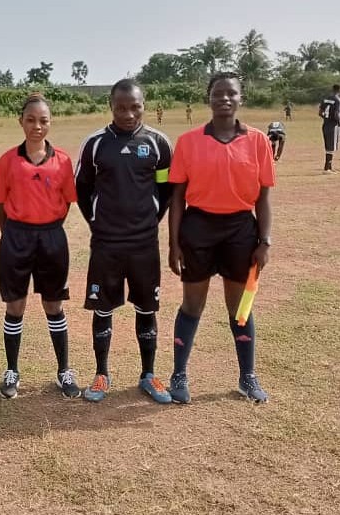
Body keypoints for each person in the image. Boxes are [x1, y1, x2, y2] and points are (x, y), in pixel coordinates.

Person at [167, 72, 275, 404]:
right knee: (192, 305)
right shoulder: (189, 141)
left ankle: (247, 377)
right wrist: (173, 243)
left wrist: (264, 242)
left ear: (241, 98)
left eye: (231, 93)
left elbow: (263, 198)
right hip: (198, 228)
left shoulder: (258, 141)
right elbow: (177, 198)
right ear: (209, 98)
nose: (224, 98)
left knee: (240, 307)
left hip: (241, 230)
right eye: (218, 93)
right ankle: (179, 374)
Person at [75, 78, 173, 404]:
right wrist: (96, 222)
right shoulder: (96, 144)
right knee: (103, 307)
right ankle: (101, 373)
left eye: (135, 107)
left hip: (144, 244)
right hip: (106, 243)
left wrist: (151, 219)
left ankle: (148, 374)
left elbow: (165, 188)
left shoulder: (158, 144)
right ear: (111, 107)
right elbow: (82, 189)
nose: (128, 114)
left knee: (146, 308)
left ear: (144, 105)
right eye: (121, 108)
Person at [0, 93, 80, 399]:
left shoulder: (63, 161)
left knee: (53, 305)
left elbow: (66, 202)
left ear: (50, 123)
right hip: (16, 236)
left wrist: (48, 226)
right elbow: (0, 203)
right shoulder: (7, 160)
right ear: (21, 121)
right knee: (15, 305)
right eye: (30, 120)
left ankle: (64, 371)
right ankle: (12, 371)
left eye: (43, 120)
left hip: (52, 238)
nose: (37, 126)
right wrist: (12, 233)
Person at [319, 84, 340, 173]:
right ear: (339, 90)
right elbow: (337, 114)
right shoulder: (338, 100)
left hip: (325, 124)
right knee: (331, 147)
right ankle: (327, 168)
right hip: (333, 125)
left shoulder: (325, 99)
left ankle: (329, 166)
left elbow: (320, 113)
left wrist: (326, 118)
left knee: (328, 146)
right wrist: (339, 123)